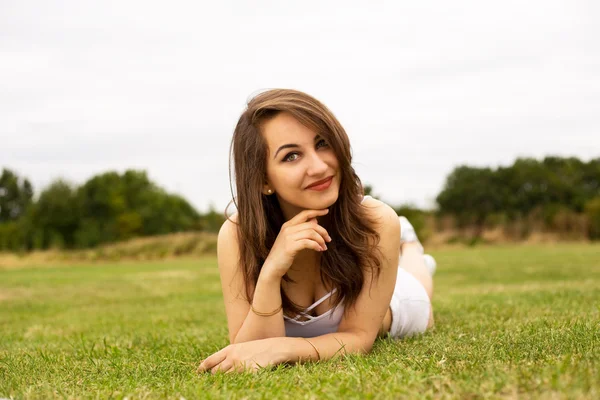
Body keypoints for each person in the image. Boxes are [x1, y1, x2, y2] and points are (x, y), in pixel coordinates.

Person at [198, 89, 436, 374]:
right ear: (262, 179)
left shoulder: (377, 223)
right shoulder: (237, 236)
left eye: (322, 144)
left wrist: (285, 348)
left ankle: (408, 244)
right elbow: (248, 349)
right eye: (292, 156)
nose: (320, 166)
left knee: (417, 276)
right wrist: (272, 270)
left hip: (398, 304)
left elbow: (359, 339)